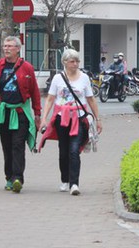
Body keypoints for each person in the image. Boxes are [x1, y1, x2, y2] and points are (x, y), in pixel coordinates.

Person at [0, 35, 42, 193]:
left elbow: (35, 92)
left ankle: (17, 178)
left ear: (18, 49)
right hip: (2, 113)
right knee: (6, 146)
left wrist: (37, 114)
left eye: (10, 46)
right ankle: (8, 177)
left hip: (20, 112)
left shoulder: (27, 67)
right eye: (5, 46)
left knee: (18, 145)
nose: (6, 48)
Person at [39, 49, 102, 195]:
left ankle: (74, 184)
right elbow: (50, 99)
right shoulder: (57, 78)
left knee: (74, 150)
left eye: (77, 61)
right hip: (61, 118)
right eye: (72, 61)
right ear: (65, 62)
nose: (75, 64)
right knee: (63, 151)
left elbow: (91, 99)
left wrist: (98, 119)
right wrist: (44, 119)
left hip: (79, 118)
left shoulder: (84, 78)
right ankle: (65, 180)